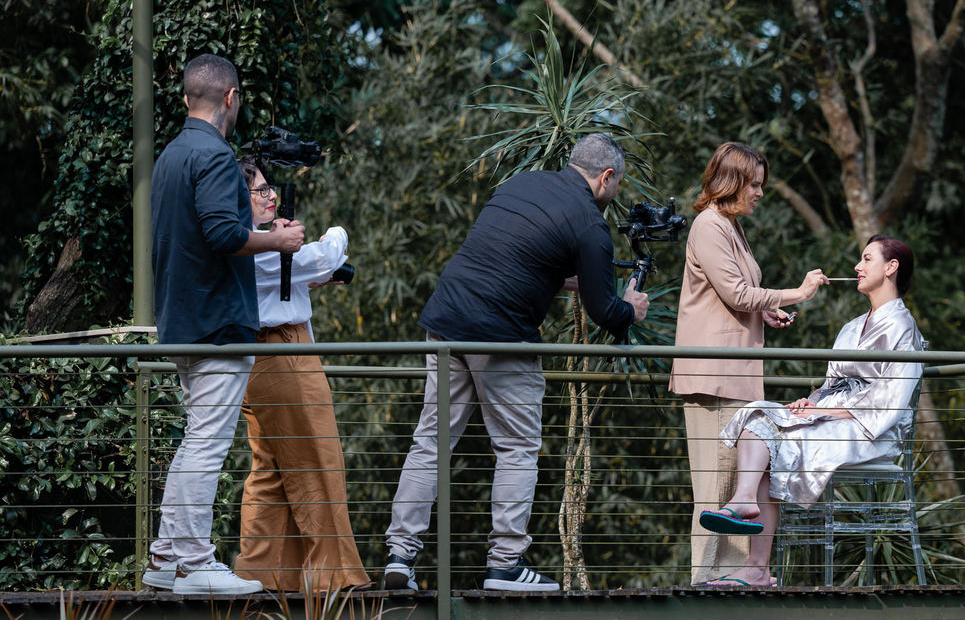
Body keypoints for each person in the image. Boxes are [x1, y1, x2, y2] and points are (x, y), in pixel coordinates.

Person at [382, 133, 649, 592]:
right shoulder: (589, 221)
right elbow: (606, 313)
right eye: (618, 185)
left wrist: (567, 280)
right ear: (607, 177)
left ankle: (398, 559)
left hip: (447, 320)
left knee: (430, 442)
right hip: (500, 337)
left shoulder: (521, 184)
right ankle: (505, 564)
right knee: (518, 448)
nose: (615, 194)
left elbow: (515, 256)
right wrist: (632, 308)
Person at [142, 53, 304, 595]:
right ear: (231, 97)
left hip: (182, 321)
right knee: (208, 443)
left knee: (196, 439)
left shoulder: (171, 155)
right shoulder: (213, 154)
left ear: (189, 97)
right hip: (215, 325)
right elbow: (223, 235)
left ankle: (166, 558)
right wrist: (278, 240)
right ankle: (193, 562)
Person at [698, 235, 925, 587]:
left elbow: (890, 402)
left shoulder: (903, 328)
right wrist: (814, 402)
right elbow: (831, 384)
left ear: (891, 267)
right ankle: (745, 508)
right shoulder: (852, 327)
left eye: (866, 259)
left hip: (872, 431)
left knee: (778, 440)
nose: (857, 267)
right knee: (760, 415)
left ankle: (757, 565)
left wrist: (828, 414)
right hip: (832, 419)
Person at [668, 141, 827, 589]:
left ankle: (731, 588)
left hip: (738, 376)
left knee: (737, 497)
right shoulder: (709, 225)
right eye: (754, 185)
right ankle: (706, 599)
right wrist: (795, 294)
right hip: (713, 377)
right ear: (732, 182)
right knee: (715, 495)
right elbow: (736, 293)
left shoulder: (732, 227)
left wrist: (766, 312)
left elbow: (737, 298)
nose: (759, 193)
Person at [231, 158, 370, 592]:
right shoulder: (260, 247)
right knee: (318, 458)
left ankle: (261, 573)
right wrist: (336, 233)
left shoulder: (247, 246)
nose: (271, 196)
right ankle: (337, 576)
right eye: (260, 191)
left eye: (271, 189)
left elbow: (301, 275)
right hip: (283, 352)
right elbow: (325, 256)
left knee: (270, 472)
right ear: (239, 200)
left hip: (262, 356)